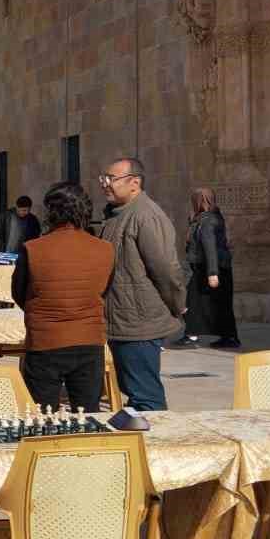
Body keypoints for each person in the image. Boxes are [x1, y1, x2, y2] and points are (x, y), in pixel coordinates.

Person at [11, 182, 114, 412]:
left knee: (43, 417)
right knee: (88, 415)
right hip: (89, 340)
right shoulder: (105, 249)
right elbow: (104, 288)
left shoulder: (33, 248)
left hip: (45, 341)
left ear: (51, 211)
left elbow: (19, 292)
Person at [100, 157, 186, 411]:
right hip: (120, 320)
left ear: (134, 183)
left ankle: (155, 447)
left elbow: (166, 269)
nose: (105, 184)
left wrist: (177, 304)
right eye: (103, 179)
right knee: (134, 394)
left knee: (146, 397)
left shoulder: (146, 216)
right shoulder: (117, 215)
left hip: (139, 323)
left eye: (111, 179)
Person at [176, 187, 239, 349]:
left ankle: (194, 335)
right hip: (212, 269)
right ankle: (227, 337)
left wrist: (212, 273)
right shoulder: (208, 217)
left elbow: (209, 247)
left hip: (210, 270)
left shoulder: (208, 220)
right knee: (214, 304)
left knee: (191, 301)